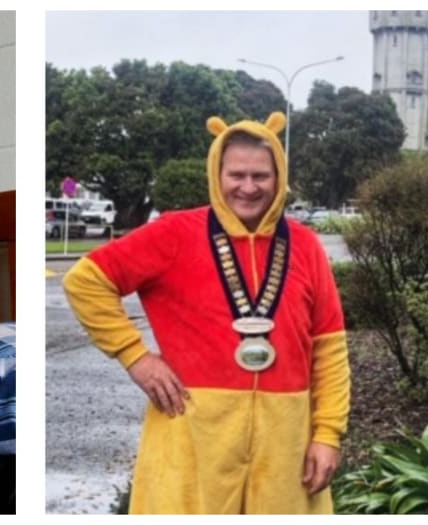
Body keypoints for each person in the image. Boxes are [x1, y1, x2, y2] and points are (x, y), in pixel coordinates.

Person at [62, 112, 350, 514]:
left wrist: (328, 434)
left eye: (261, 176)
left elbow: (329, 349)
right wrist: (135, 357)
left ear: (279, 178)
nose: (248, 187)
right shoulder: (175, 233)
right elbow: (85, 282)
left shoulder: (305, 245)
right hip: (193, 440)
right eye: (237, 175)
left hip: (285, 446)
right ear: (217, 174)